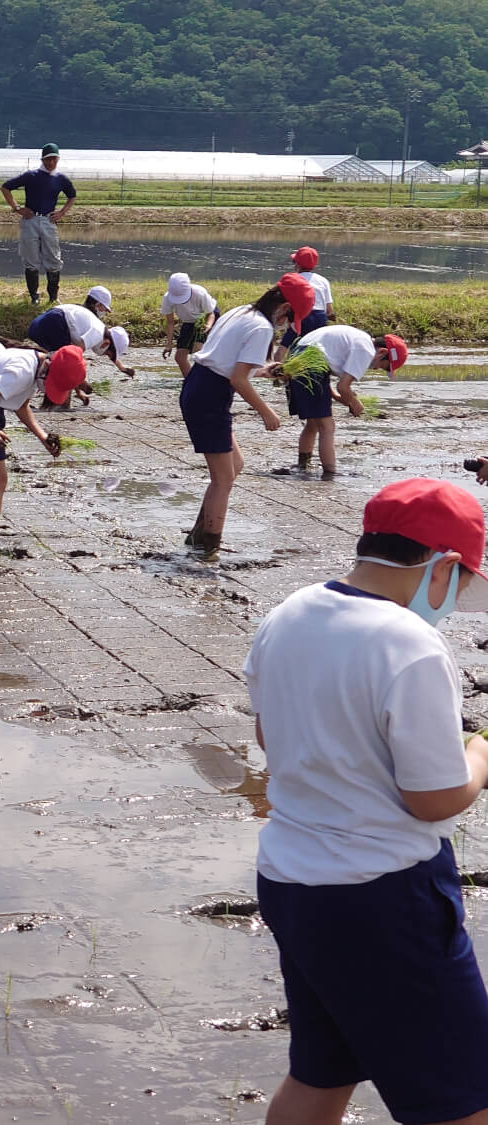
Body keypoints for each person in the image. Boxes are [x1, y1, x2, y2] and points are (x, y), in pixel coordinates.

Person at [244, 477, 488, 1125]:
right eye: (460, 586)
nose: (454, 603)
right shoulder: (409, 644)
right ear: (442, 566)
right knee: (462, 1100)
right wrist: (481, 755)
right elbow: (433, 797)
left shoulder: (288, 613)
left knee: (321, 1075)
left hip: (293, 885)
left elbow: (270, 735)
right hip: (385, 898)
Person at [179, 273, 314, 559]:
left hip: (200, 384)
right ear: (284, 308)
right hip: (209, 394)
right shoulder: (261, 327)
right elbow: (238, 379)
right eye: (290, 318)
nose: (286, 325)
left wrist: (266, 369)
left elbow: (229, 361)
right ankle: (209, 547)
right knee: (223, 477)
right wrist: (267, 412)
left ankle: (198, 535)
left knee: (234, 466)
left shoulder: (243, 311)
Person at [0, 345, 81, 546]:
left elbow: (21, 406)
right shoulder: (22, 371)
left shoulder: (33, 364)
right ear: (48, 365)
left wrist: (43, 437)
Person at [271, 327, 409, 479]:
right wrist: (355, 403)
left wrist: (338, 397)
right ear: (382, 352)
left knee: (313, 423)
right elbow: (343, 386)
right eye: (382, 366)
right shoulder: (366, 349)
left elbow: (324, 367)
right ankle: (330, 473)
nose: (375, 368)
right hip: (311, 367)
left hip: (298, 359)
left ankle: (302, 465)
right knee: (327, 426)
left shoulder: (358, 338)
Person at [0, 143, 76, 306]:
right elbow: (5, 187)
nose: (50, 163)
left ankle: (53, 297)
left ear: (58, 159)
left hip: (49, 220)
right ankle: (34, 296)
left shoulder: (61, 179)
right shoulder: (31, 176)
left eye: (53, 159)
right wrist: (17, 208)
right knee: (31, 259)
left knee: (53, 258)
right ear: (42, 159)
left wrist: (62, 212)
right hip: (31, 220)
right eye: (47, 159)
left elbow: (72, 196)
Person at [275, 245, 333, 360]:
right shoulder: (323, 281)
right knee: (317, 350)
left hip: (301, 316)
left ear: (297, 264)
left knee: (282, 349)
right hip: (320, 318)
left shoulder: (293, 279)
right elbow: (329, 310)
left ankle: (275, 372)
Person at [160, 272, 219, 377]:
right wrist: (169, 344)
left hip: (205, 318)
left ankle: (205, 379)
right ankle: (190, 380)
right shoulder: (167, 298)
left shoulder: (199, 293)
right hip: (188, 322)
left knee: (198, 351)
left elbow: (210, 313)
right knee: (179, 357)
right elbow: (170, 323)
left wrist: (208, 326)